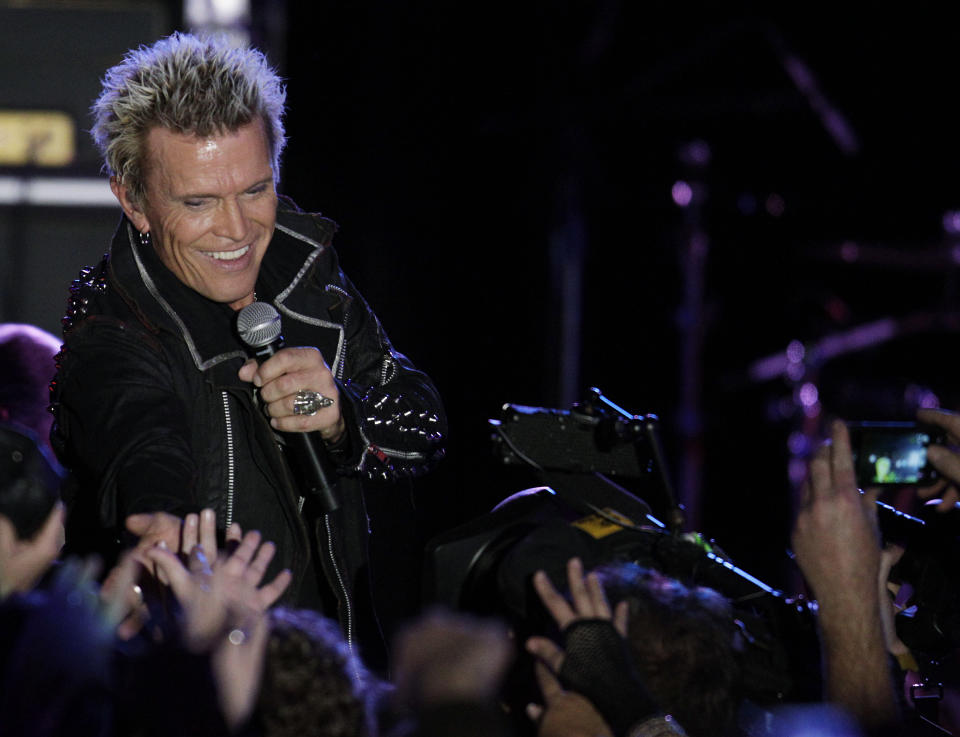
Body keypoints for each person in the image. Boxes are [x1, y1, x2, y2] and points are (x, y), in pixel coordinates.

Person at [48, 31, 447, 666]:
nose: (237, 231)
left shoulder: (309, 274)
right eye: (199, 202)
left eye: (255, 190)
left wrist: (343, 419)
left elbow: (422, 424)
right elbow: (139, 440)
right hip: (214, 682)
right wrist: (162, 526)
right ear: (136, 201)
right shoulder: (112, 330)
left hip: (334, 677)